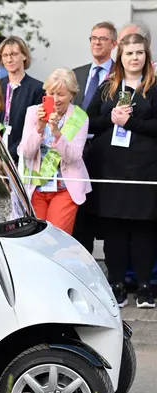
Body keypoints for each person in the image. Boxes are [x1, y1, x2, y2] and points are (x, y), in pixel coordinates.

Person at [86, 33, 157, 308]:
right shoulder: (107, 87)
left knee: (142, 228)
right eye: (129, 53)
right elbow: (88, 122)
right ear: (121, 57)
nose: (134, 58)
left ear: (146, 56)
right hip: (110, 168)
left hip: (144, 170)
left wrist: (132, 123)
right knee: (114, 228)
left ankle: (144, 287)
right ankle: (115, 283)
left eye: (139, 53)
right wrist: (110, 119)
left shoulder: (153, 86)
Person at [18, 68, 91, 235]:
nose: (56, 99)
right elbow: (25, 153)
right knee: (35, 238)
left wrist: (57, 132)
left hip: (65, 188)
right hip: (36, 187)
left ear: (72, 95)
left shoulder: (80, 117)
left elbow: (73, 157)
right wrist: (39, 128)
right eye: (51, 93)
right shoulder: (33, 113)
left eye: (61, 94)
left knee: (56, 238)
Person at [71, 21, 118, 255]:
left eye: (102, 39)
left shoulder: (120, 75)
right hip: (75, 155)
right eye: (93, 38)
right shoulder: (77, 74)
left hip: (105, 152)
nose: (97, 43)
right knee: (80, 218)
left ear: (114, 43)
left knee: (107, 217)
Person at [0, 36, 45, 162]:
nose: (9, 59)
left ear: (24, 56)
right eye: (5, 55)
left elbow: (35, 128)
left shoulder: (37, 88)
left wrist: (10, 155)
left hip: (22, 156)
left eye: (14, 54)